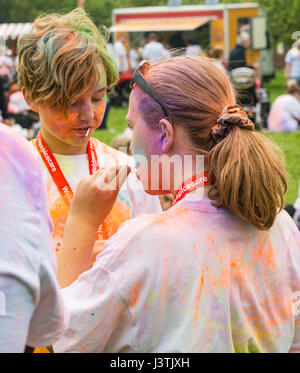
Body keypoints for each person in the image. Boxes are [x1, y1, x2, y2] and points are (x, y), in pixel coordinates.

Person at [53, 56, 300, 353]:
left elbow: (62, 337)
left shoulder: (145, 243)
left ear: (165, 134)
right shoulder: (277, 222)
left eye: (133, 128)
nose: (131, 145)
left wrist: (82, 222)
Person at [17, 9, 161, 262]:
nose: (88, 114)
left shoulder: (129, 171)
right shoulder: (14, 177)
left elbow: (159, 256)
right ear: (31, 97)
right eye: (70, 102)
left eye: (98, 97)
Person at [0, 122, 68, 352]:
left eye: (98, 99)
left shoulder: (13, 151)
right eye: (65, 102)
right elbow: (44, 326)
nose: (87, 113)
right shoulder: (13, 152)